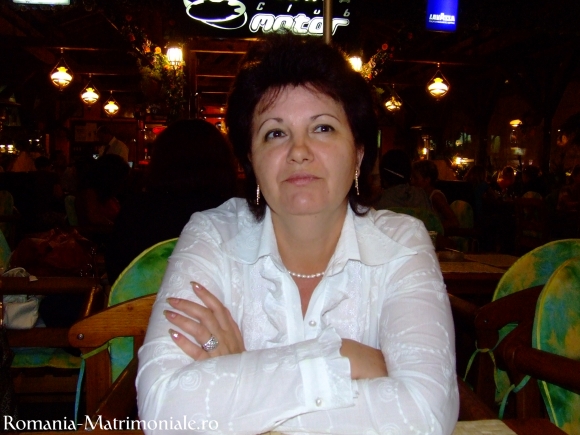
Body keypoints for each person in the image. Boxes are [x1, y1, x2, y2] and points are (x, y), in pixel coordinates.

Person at [137, 35, 458, 434]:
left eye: (322, 128)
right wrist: (342, 358)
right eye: (275, 133)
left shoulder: (402, 242)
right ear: (251, 159)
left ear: (358, 152)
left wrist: (238, 376)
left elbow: (426, 416)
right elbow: (164, 413)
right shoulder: (212, 235)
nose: (299, 151)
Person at [104, 119, 238, 285]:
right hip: (214, 300)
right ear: (223, 161)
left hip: (137, 300)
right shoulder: (232, 215)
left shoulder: (137, 210)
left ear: (160, 160)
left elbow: (117, 274)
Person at [411, 159, 459, 232]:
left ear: (427, 180)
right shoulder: (421, 195)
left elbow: (454, 222)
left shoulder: (436, 196)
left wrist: (432, 228)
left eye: (415, 178)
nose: (412, 181)